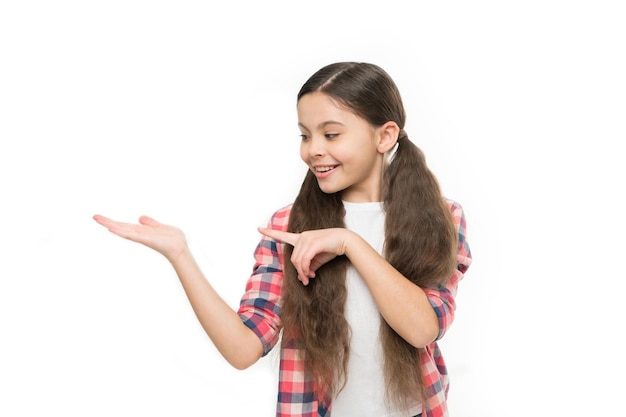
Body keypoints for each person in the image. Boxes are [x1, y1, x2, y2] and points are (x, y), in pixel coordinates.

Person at [93, 61, 472, 417]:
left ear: (384, 135)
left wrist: (350, 244)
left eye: (331, 133)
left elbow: (423, 328)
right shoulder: (288, 225)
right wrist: (180, 255)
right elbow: (244, 348)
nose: (313, 149)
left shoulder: (442, 218)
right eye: (305, 135)